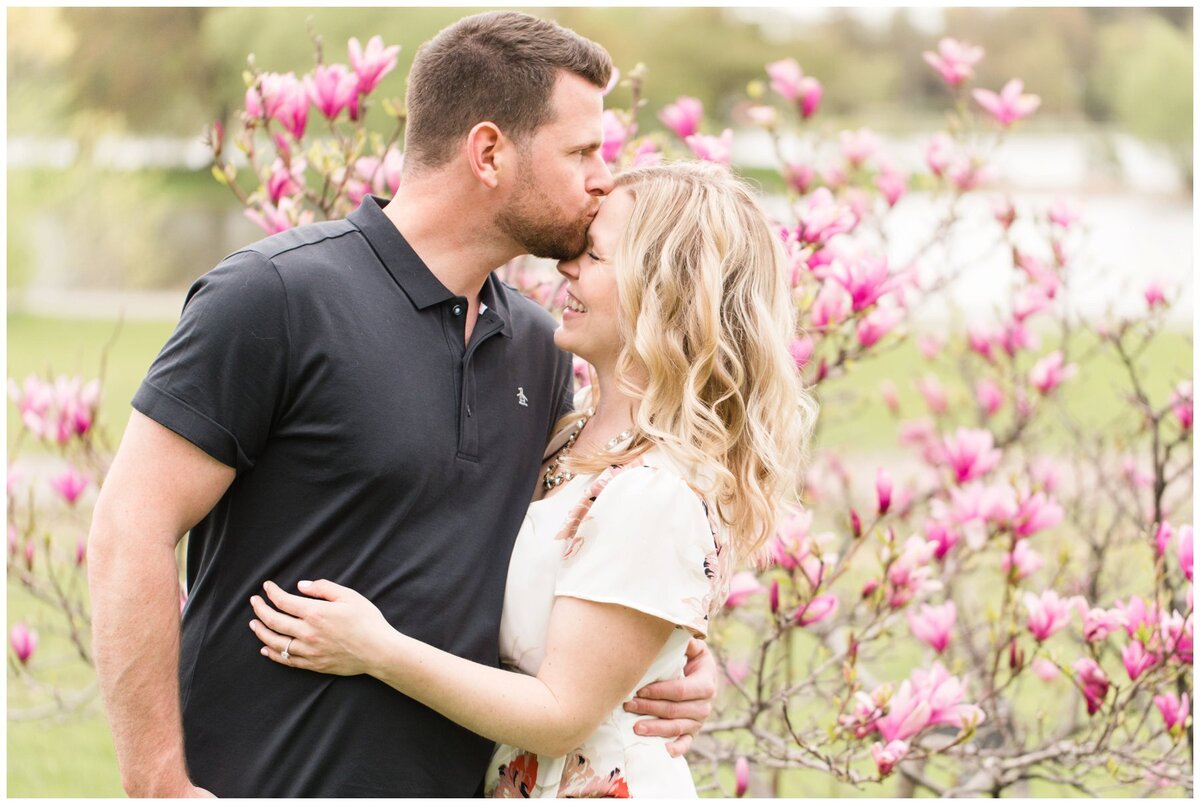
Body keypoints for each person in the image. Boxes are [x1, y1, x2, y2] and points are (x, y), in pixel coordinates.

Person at [87, 12, 718, 798]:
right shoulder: (275, 297)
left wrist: (672, 653)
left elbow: (579, 550)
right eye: (583, 150)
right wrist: (157, 785)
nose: (601, 178)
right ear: (489, 151)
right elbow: (127, 529)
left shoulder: (537, 344)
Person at [247, 161, 818, 797]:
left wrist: (375, 649)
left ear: (665, 293)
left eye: (593, 255)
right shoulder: (571, 433)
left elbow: (559, 717)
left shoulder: (655, 490)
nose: (565, 267)